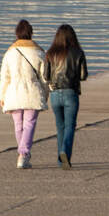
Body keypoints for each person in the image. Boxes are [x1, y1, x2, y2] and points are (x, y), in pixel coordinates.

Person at [0, 20, 48, 169]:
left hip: (13, 93)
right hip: (32, 92)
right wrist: (45, 94)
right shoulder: (39, 52)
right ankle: (23, 153)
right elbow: (44, 78)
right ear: (31, 33)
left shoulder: (9, 53)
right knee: (29, 123)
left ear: (17, 34)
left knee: (18, 124)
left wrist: (2, 96)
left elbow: (4, 77)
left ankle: (22, 153)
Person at [42, 24, 88, 169]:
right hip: (71, 93)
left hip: (55, 94)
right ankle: (64, 152)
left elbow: (46, 76)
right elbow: (83, 76)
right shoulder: (78, 52)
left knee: (60, 127)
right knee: (70, 126)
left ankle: (61, 161)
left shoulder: (50, 53)